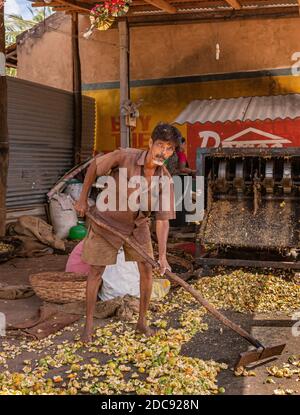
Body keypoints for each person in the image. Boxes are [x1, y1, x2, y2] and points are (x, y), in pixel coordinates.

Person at [74, 122, 181, 341]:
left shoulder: (165, 179)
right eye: (160, 145)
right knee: (96, 271)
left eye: (169, 149)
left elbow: (162, 220)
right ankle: (88, 325)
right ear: (150, 143)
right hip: (107, 221)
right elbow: (95, 166)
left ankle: (142, 322)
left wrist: (162, 256)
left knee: (148, 270)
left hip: (137, 226)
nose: (164, 152)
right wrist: (83, 199)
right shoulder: (125, 156)